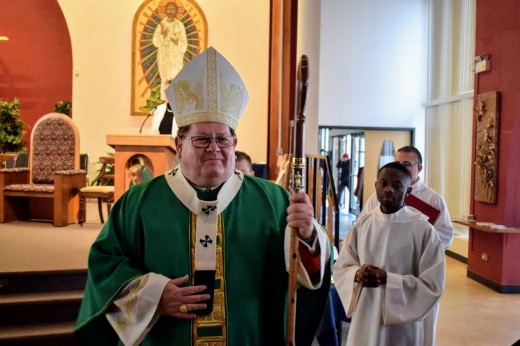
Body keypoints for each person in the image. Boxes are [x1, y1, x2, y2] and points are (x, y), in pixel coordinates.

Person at [75, 47, 331, 345]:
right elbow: (105, 265)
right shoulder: (139, 203)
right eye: (201, 139)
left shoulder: (273, 201)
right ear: (179, 143)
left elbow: (310, 271)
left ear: (234, 143)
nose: (214, 148)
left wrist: (310, 234)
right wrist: (154, 296)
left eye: (223, 138)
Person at [333, 162, 446, 346]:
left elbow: (432, 284)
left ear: (408, 191)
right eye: (383, 183)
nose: (388, 189)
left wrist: (388, 279)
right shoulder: (362, 225)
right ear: (375, 185)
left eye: (396, 186)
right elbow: (342, 266)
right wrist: (356, 273)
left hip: (402, 321)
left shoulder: (423, 229)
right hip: (366, 312)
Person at [358, 145, 454, 251]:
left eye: (406, 164)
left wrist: (421, 252)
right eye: (397, 164)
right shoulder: (380, 196)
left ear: (419, 168)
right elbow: (362, 224)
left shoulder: (433, 199)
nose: (400, 168)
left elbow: (445, 235)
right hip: (381, 251)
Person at [152, 2, 187, 97]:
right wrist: (162, 35)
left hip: (176, 56)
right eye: (168, 9)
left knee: (176, 78)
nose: (170, 11)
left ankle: (175, 103)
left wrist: (177, 42)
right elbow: (155, 42)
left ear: (176, 11)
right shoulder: (161, 25)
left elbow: (184, 46)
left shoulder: (179, 25)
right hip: (164, 55)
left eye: (173, 9)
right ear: (165, 11)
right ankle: (164, 101)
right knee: (164, 78)